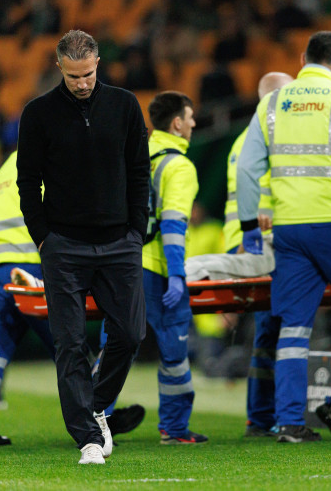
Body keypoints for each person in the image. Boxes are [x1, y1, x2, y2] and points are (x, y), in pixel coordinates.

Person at [237, 31, 331, 443]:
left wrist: (249, 226)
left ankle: (289, 422)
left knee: (294, 325)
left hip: (289, 230)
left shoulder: (271, 103)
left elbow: (247, 169)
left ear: (303, 58)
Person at [17, 30, 148, 466]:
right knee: (70, 343)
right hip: (64, 247)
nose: (82, 83)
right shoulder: (38, 114)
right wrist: (43, 238)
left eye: (88, 74)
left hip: (120, 242)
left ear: (98, 64)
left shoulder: (125, 105)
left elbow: (139, 171)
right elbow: (27, 181)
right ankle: (88, 438)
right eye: (74, 76)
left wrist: (136, 230)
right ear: (59, 67)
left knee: (131, 334)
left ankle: (95, 405)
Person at [0, 151, 145, 447]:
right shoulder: (53, 157)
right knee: (71, 345)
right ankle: (98, 415)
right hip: (35, 265)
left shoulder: (6, 168)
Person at [223, 72, 293, 438]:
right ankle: (268, 415)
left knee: (271, 332)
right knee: (274, 330)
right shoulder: (271, 138)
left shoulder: (245, 139)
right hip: (262, 247)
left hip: (248, 244)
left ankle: (263, 415)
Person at [142, 91, 208, 445]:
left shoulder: (136, 156)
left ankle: (93, 426)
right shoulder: (179, 167)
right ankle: (174, 428)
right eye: (190, 116)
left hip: (122, 266)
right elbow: (172, 225)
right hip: (156, 269)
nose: (194, 123)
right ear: (177, 123)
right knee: (174, 351)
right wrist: (177, 275)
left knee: (114, 349)